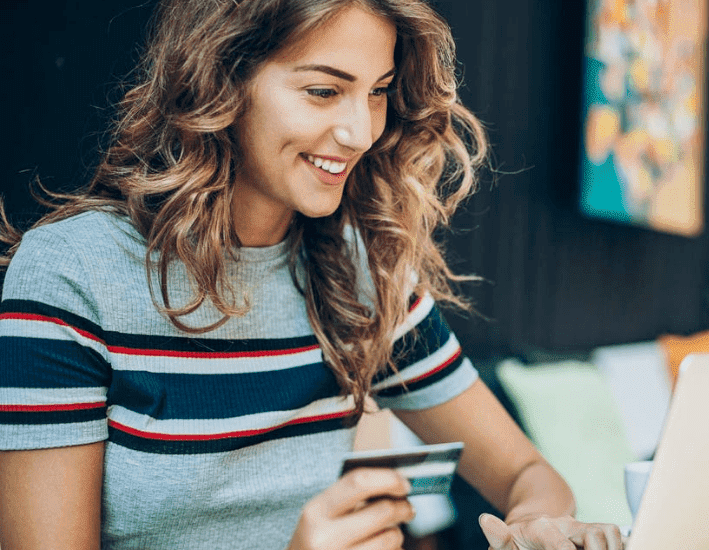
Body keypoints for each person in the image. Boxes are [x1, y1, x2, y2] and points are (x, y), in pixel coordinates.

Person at [0, 1, 625, 549]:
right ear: (221, 81)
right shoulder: (73, 275)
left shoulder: (363, 274)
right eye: (324, 91)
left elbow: (528, 475)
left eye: (377, 90)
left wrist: (538, 521)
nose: (360, 133)